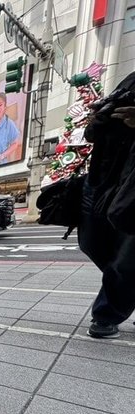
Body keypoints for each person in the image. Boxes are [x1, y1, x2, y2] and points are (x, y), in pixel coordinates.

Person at [78, 71, 135, 339]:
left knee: (127, 256)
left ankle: (106, 313)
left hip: (131, 184)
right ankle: (125, 292)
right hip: (102, 178)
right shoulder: (130, 80)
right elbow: (91, 134)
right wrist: (98, 118)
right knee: (90, 242)